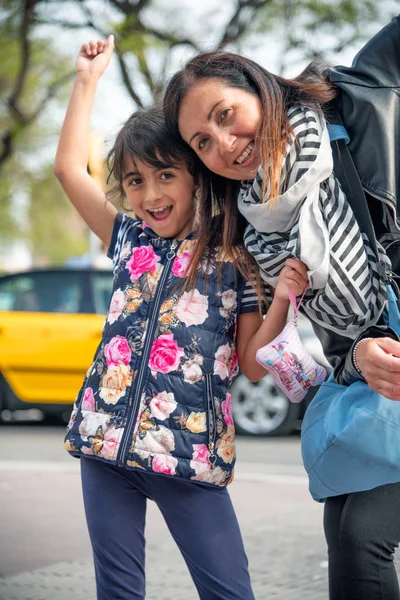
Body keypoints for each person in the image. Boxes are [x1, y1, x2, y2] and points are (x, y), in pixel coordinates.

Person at [54, 36, 309, 600]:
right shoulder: (127, 239)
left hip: (190, 457)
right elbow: (69, 168)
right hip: (105, 449)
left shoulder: (236, 259)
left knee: (229, 592)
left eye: (166, 175)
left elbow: (253, 365)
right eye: (135, 182)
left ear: (195, 176)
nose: (150, 195)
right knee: (117, 591)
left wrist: (285, 298)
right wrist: (86, 81)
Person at [162, 16, 400, 599]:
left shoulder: (360, 102)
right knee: (343, 525)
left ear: (261, 89)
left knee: (364, 536)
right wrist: (360, 351)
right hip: (375, 381)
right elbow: (333, 338)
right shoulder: (258, 227)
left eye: (225, 116)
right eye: (202, 143)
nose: (224, 145)